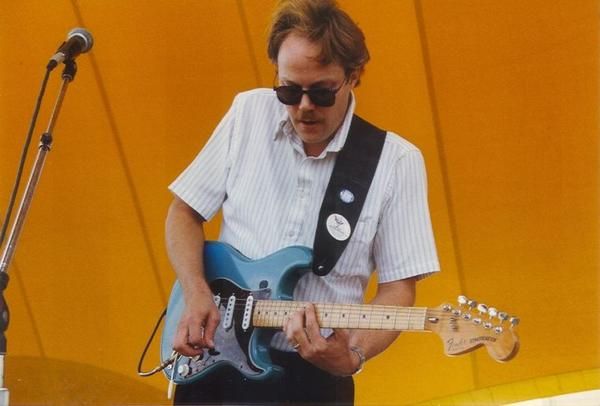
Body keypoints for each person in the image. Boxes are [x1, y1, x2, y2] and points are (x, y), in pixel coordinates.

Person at [165, 0, 439, 404]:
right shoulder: (248, 112)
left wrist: (352, 355)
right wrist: (196, 293)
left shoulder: (397, 162)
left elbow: (398, 289)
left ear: (353, 76)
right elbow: (183, 212)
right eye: (289, 90)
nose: (304, 106)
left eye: (322, 92)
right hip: (215, 359)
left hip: (313, 380)